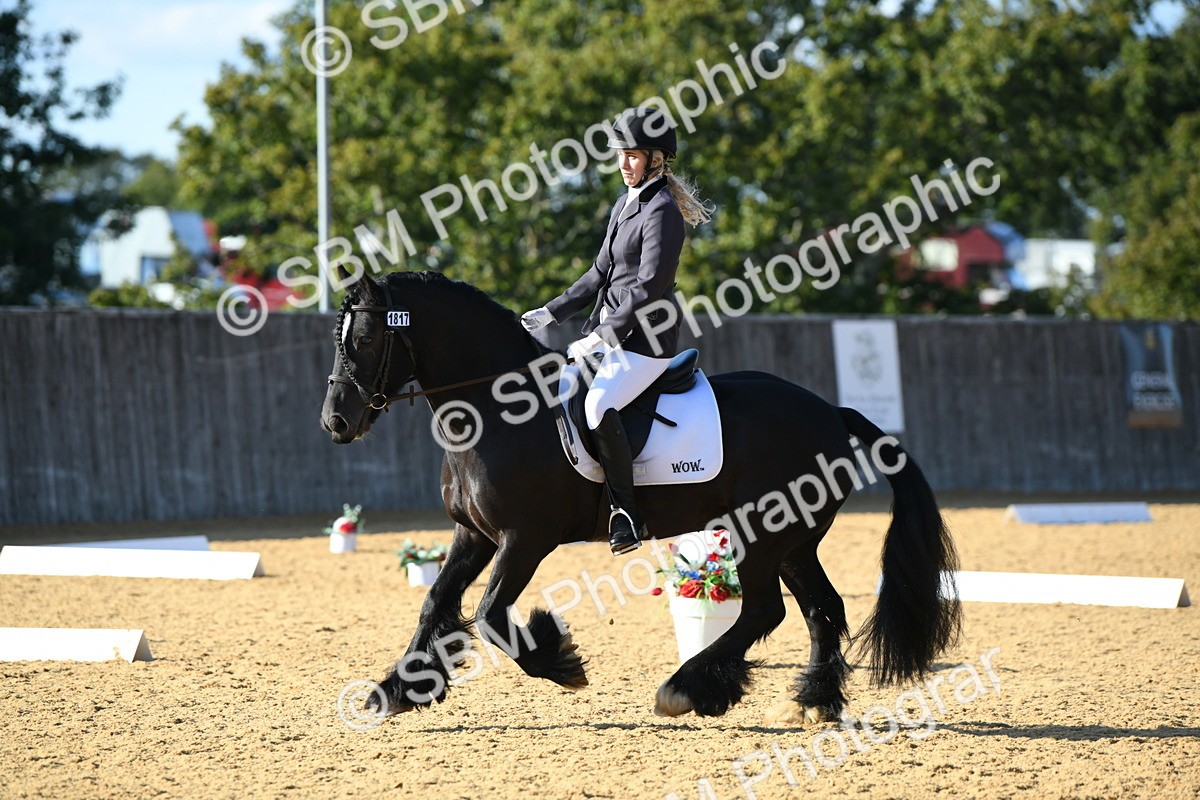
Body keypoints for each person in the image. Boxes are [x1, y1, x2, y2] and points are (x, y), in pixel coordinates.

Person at [521, 107, 713, 555]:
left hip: (645, 341)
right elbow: (598, 273)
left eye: (631, 156)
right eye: (621, 155)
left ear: (656, 159)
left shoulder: (663, 212)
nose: (623, 164)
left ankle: (625, 513)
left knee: (597, 404)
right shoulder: (625, 205)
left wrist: (602, 336)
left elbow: (648, 288)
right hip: (608, 332)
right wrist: (551, 312)